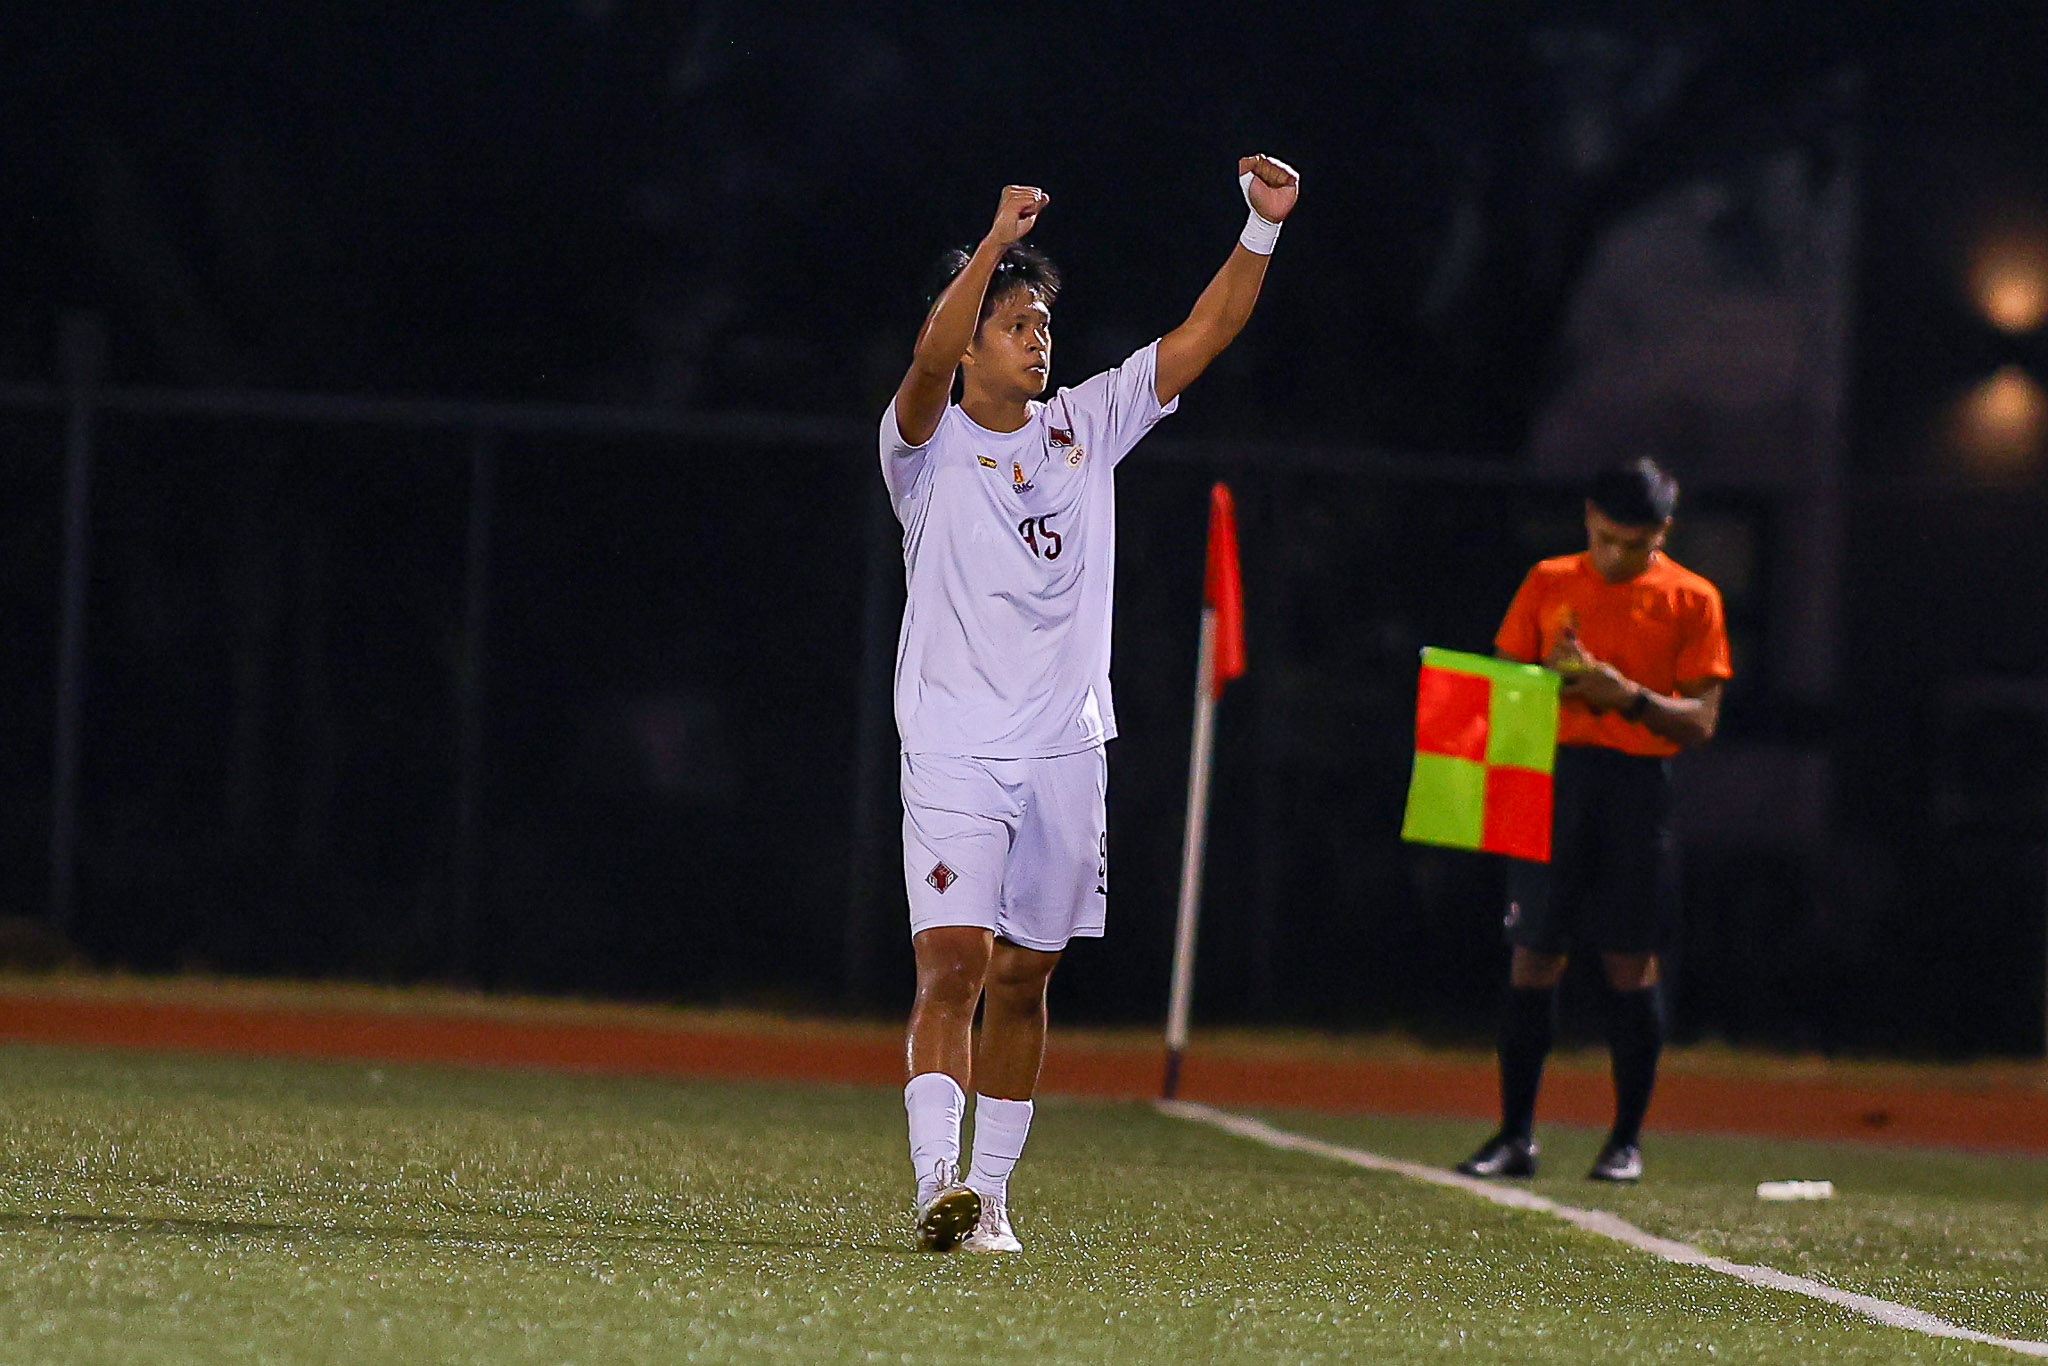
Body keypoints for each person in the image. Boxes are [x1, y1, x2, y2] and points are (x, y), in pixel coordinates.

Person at [882, 156, 1300, 1252]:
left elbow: (1205, 332)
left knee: (1023, 977)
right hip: (954, 745)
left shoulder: (1085, 424)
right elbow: (928, 356)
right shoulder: (923, 446)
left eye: (1040, 323)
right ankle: (934, 1187)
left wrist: (1257, 230)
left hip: (1066, 747)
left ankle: (992, 1199)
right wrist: (991, 241)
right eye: (1015, 322)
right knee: (952, 964)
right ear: (970, 334)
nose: (1037, 338)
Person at [1456, 457, 1731, 1184]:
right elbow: (1501, 687)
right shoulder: (1549, 581)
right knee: (1533, 952)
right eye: (1606, 537)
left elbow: (1702, 723)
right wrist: (1550, 677)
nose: (1615, 556)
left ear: (1662, 534)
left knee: (1628, 960)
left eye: (1633, 544)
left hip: (1638, 788)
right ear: (1588, 519)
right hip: (1552, 779)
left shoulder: (1692, 598)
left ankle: (1625, 1143)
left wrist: (1627, 696)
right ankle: (1516, 1136)